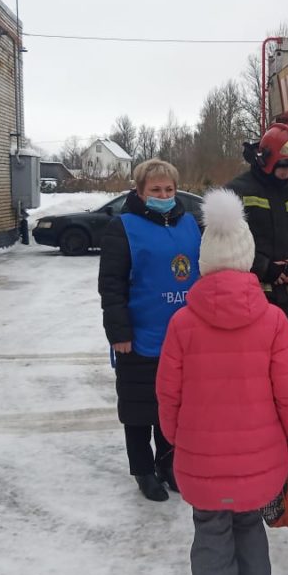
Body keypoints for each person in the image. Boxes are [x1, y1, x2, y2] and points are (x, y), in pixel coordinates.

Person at [156, 188, 288, 575]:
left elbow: (168, 395)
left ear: (204, 261)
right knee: (248, 523)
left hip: (201, 458)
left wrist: (176, 438)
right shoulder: (274, 321)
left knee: (210, 533)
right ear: (247, 257)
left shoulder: (181, 323)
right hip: (259, 458)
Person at [98, 159, 201, 502]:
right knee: (139, 408)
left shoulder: (190, 224)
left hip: (184, 339)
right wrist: (119, 333)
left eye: (169, 189)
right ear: (140, 192)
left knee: (174, 409)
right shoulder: (123, 227)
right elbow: (111, 285)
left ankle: (169, 465)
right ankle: (143, 470)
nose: (164, 195)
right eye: (155, 190)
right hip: (141, 337)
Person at [226, 123, 288, 326]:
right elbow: (227, 246)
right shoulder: (236, 192)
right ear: (266, 161)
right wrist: (264, 268)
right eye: (284, 166)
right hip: (251, 298)